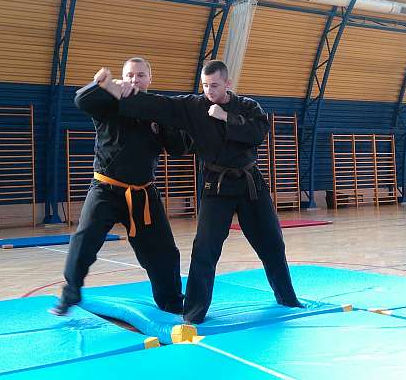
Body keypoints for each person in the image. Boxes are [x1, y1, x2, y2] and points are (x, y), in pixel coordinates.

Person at [95, 60, 301, 324]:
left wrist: (226, 117)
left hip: (251, 185)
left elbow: (258, 133)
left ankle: (288, 299)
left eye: (214, 85)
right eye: (205, 85)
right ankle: (193, 313)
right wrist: (115, 89)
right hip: (216, 186)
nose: (209, 91)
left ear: (227, 84)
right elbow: (160, 105)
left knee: (272, 243)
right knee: (205, 249)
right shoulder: (194, 107)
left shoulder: (248, 106)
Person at [50, 57, 190, 316]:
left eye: (140, 75)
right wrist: (101, 84)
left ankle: (171, 300)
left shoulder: (157, 109)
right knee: (84, 240)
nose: (134, 80)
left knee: (163, 252)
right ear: (122, 78)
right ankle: (70, 294)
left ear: (150, 79)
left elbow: (178, 147)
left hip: (143, 194)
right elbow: (81, 101)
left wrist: (166, 124)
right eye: (130, 75)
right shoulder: (108, 102)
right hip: (106, 189)